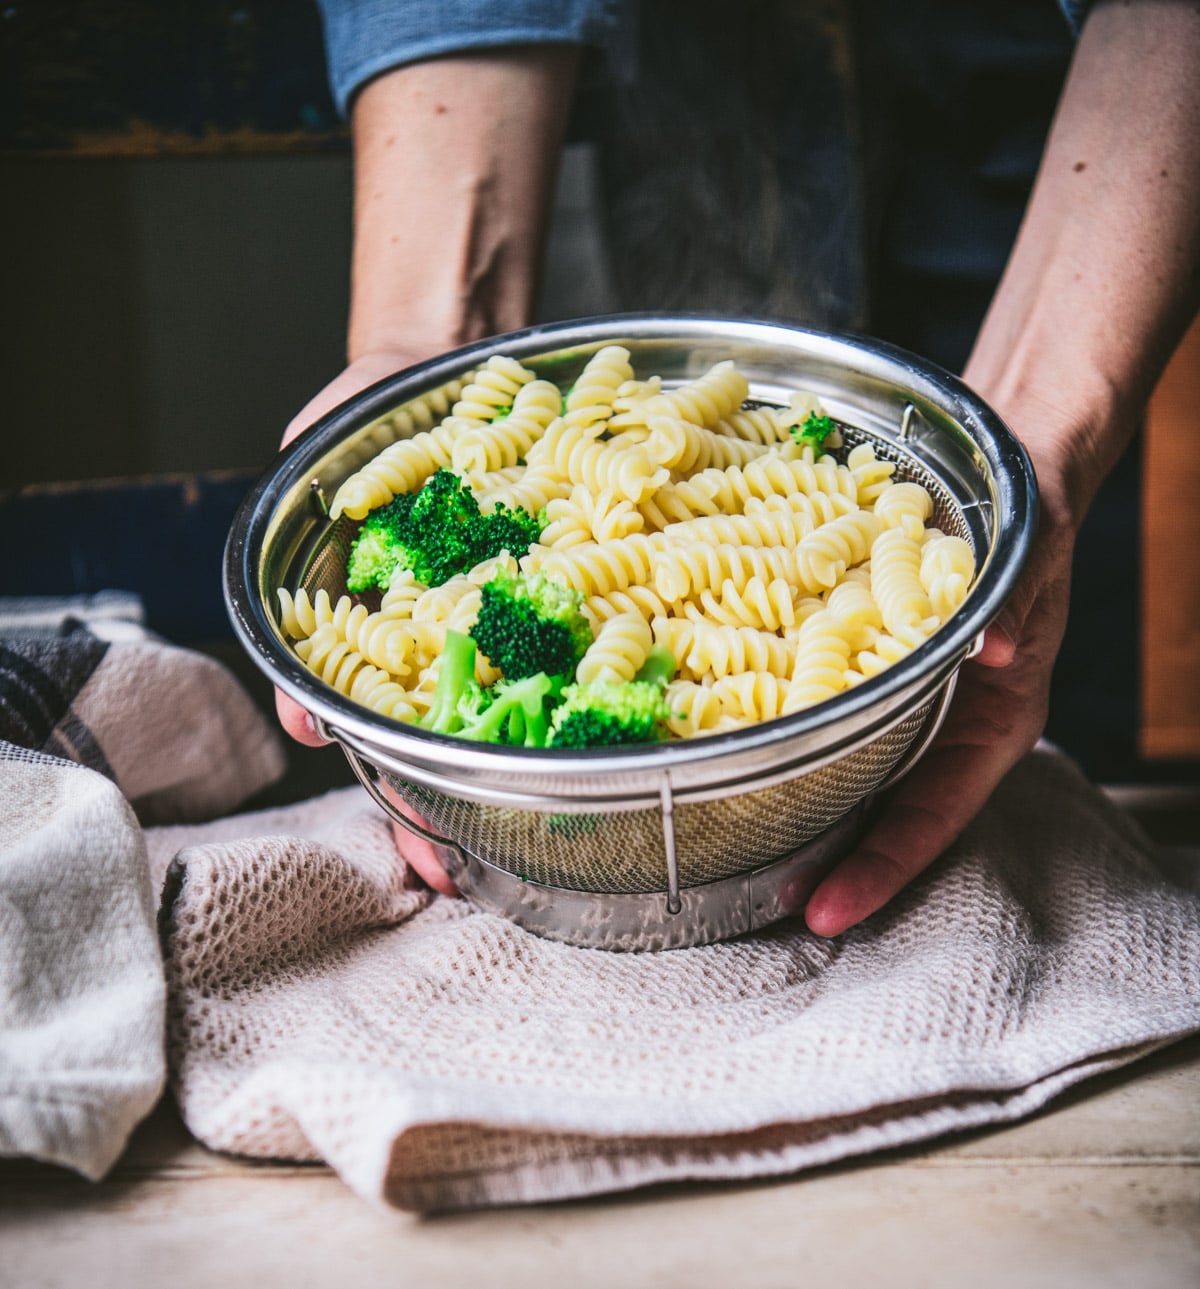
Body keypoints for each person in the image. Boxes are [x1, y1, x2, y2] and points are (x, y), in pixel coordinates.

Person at [275, 0, 1200, 934]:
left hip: (1059, 112)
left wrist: (1042, 421)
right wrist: (421, 343)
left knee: (1078, 759)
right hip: (677, 63)